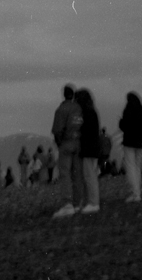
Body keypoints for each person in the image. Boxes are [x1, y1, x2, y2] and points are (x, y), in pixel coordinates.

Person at [51, 84, 83, 218]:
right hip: (78, 142)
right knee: (77, 173)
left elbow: (57, 130)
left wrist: (60, 144)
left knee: (65, 174)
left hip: (66, 143)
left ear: (64, 94)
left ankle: (67, 203)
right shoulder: (79, 108)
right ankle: (77, 203)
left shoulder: (61, 109)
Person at [119, 92, 142, 202]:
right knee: (137, 168)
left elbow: (124, 126)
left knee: (130, 167)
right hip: (140, 144)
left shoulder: (128, 111)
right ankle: (137, 193)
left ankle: (135, 193)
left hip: (129, 143)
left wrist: (121, 122)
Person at [74, 87, 100, 214]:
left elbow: (84, 131)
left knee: (89, 176)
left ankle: (93, 202)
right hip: (92, 148)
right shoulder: (91, 111)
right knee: (90, 175)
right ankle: (90, 201)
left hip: (88, 148)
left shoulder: (86, 113)